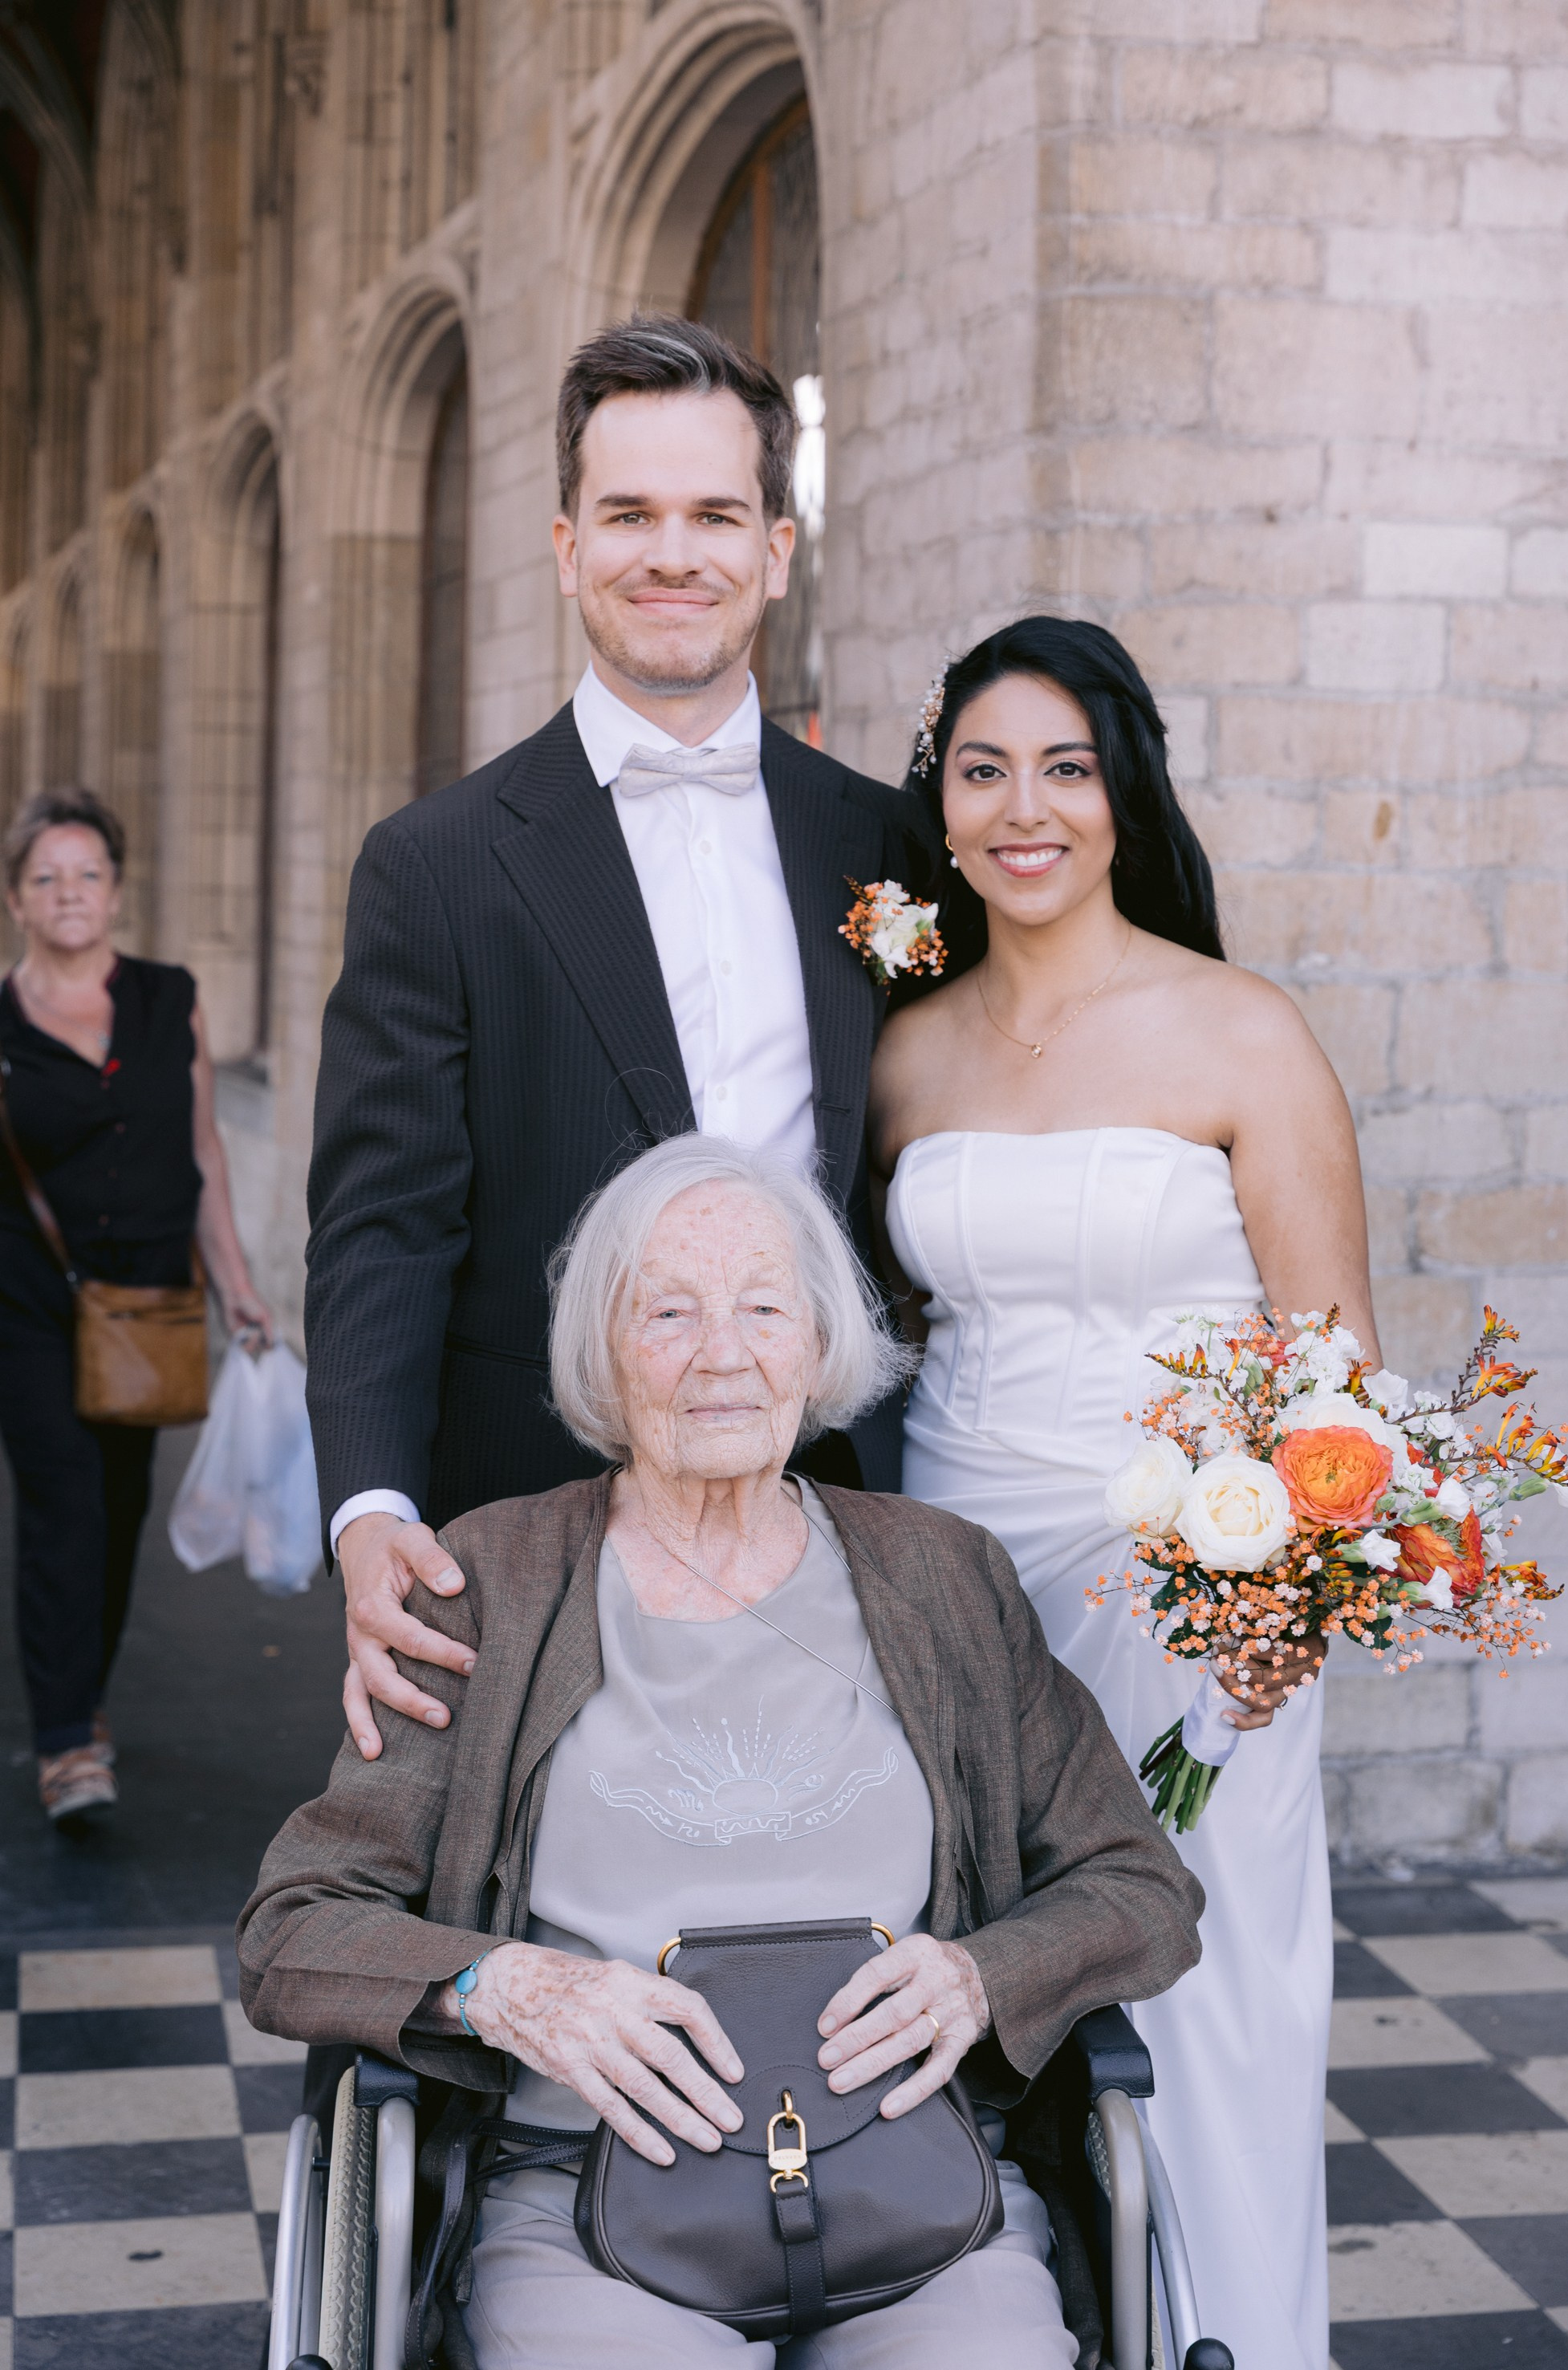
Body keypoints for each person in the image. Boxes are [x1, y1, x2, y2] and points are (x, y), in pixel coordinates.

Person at [241, 1136, 1202, 2369]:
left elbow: (1140, 1886)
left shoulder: (941, 1575)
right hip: (586, 2200)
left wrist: (982, 1975)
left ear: (816, 1344)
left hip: (915, 2190)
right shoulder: (489, 1581)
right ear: (603, 1349)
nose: (721, 1353)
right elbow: (294, 1925)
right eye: (668, 1311)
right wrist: (506, 1986)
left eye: (763, 1306)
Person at [310, 314, 936, 1762]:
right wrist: (372, 1506)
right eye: (629, 515)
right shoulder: (439, 861)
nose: (674, 554)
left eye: (716, 513)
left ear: (778, 546)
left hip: (842, 1507)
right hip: (534, 1516)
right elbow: (379, 1224)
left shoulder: (883, 842)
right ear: (565, 543)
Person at [866, 616, 1379, 2370]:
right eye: (984, 769)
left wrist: (1280, 1613)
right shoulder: (905, 1055)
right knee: (972, 1976)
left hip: (1191, 1593)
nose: (1026, 809)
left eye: (1066, 770)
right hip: (955, 1577)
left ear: (1120, 793)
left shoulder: (1241, 1032)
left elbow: (1338, 1385)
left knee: (1207, 1996)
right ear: (939, 804)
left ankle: (1231, 2341)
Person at [0, 788, 271, 1825]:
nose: (70, 893)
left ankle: (87, 1695)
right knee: (63, 1503)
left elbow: (202, 1148)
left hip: (149, 1302)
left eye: (88, 874)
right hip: (28, 1302)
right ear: (19, 899)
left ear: (115, 888)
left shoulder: (171, 997)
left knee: (117, 1513)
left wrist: (238, 1285)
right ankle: (68, 1741)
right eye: (46, 877)